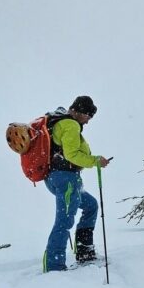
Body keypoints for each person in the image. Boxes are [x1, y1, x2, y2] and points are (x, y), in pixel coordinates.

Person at [42, 96, 112, 272]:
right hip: (65, 180)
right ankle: (54, 266)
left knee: (91, 205)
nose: (88, 121)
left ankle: (84, 250)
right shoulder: (70, 125)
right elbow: (72, 155)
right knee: (64, 221)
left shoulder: (62, 121)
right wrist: (95, 160)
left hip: (58, 177)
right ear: (80, 112)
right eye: (88, 116)